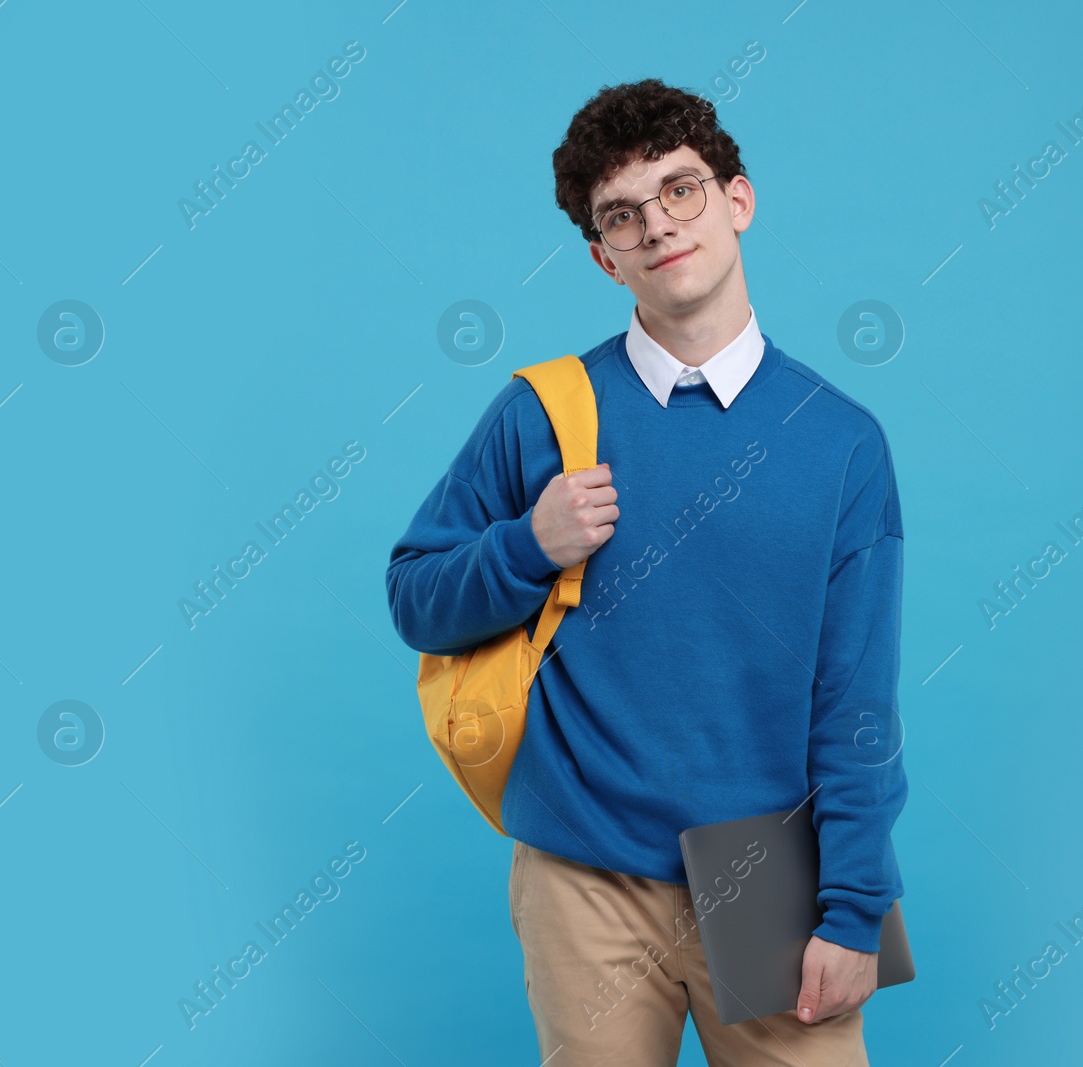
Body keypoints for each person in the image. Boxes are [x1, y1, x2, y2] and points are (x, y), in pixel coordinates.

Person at [385, 77, 907, 1066]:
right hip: (582, 867)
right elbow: (416, 594)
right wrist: (525, 545)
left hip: (773, 869)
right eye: (621, 215)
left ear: (736, 199)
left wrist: (854, 906)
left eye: (680, 191)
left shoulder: (842, 442)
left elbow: (857, 700)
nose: (657, 226)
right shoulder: (545, 411)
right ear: (601, 254)